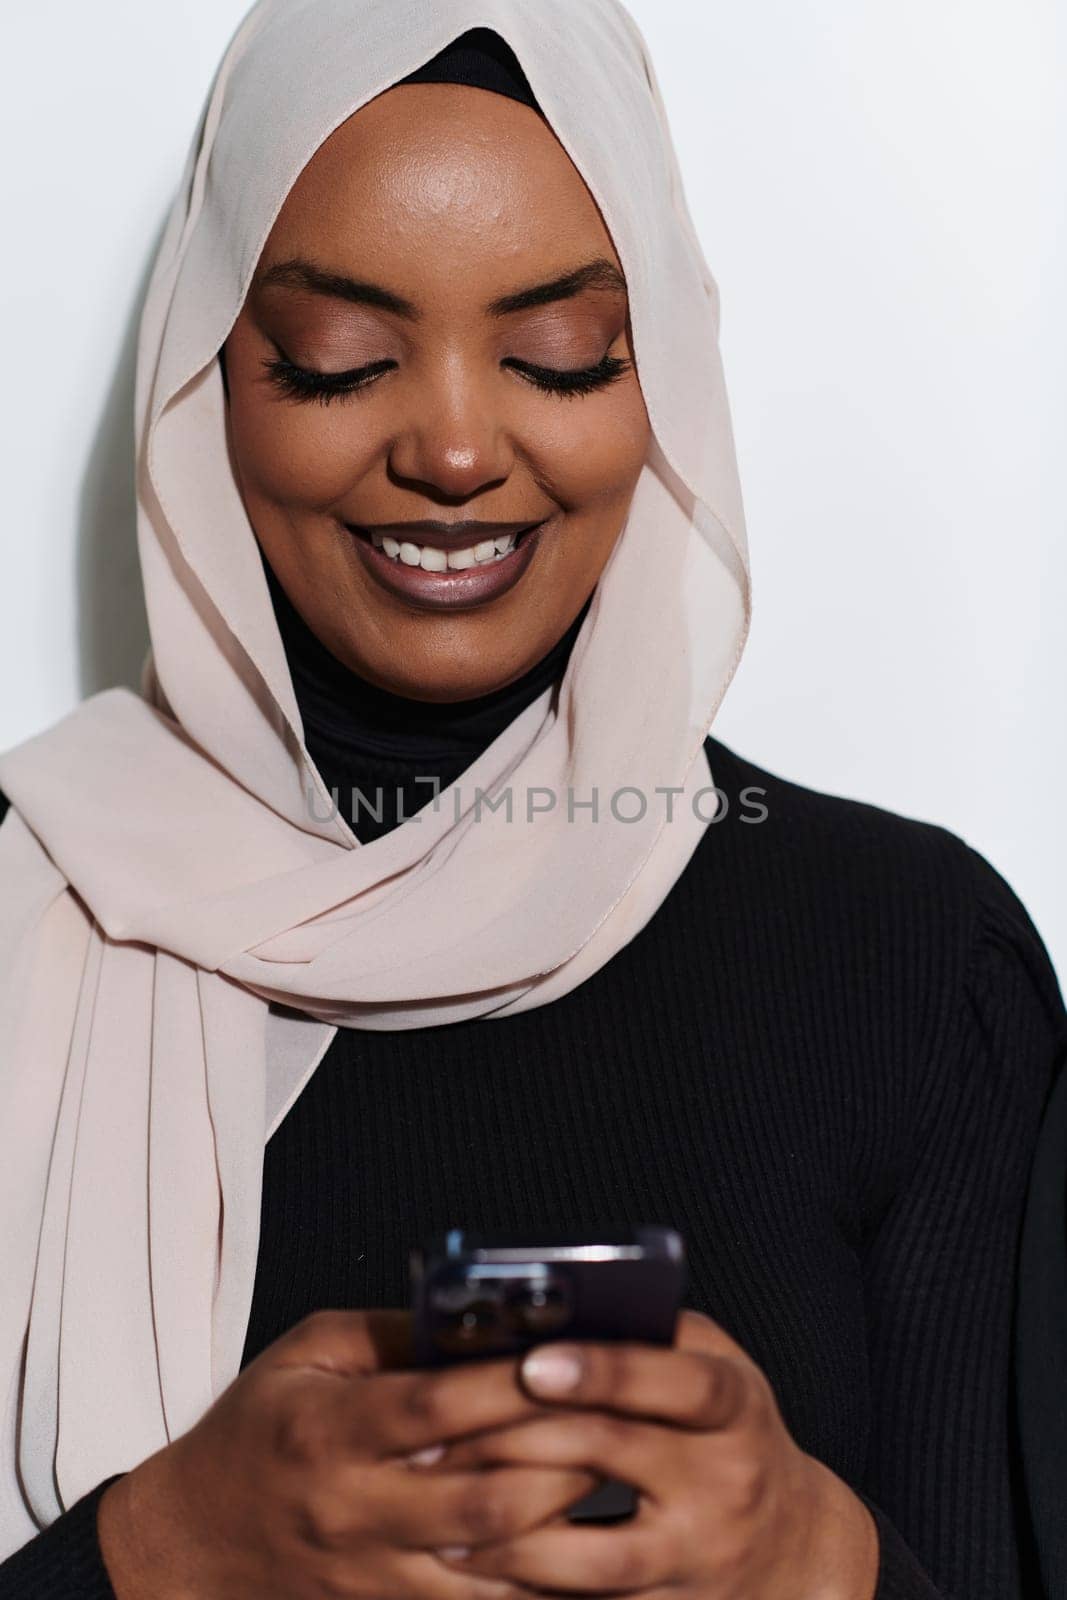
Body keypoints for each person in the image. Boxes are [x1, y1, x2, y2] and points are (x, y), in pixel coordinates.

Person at [0, 3, 1063, 1598]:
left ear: (667, 383)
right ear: (205, 377)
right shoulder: (31, 909)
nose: (448, 446)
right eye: (340, 359)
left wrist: (817, 1556)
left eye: (555, 358)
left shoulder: (911, 964)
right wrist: (158, 1551)